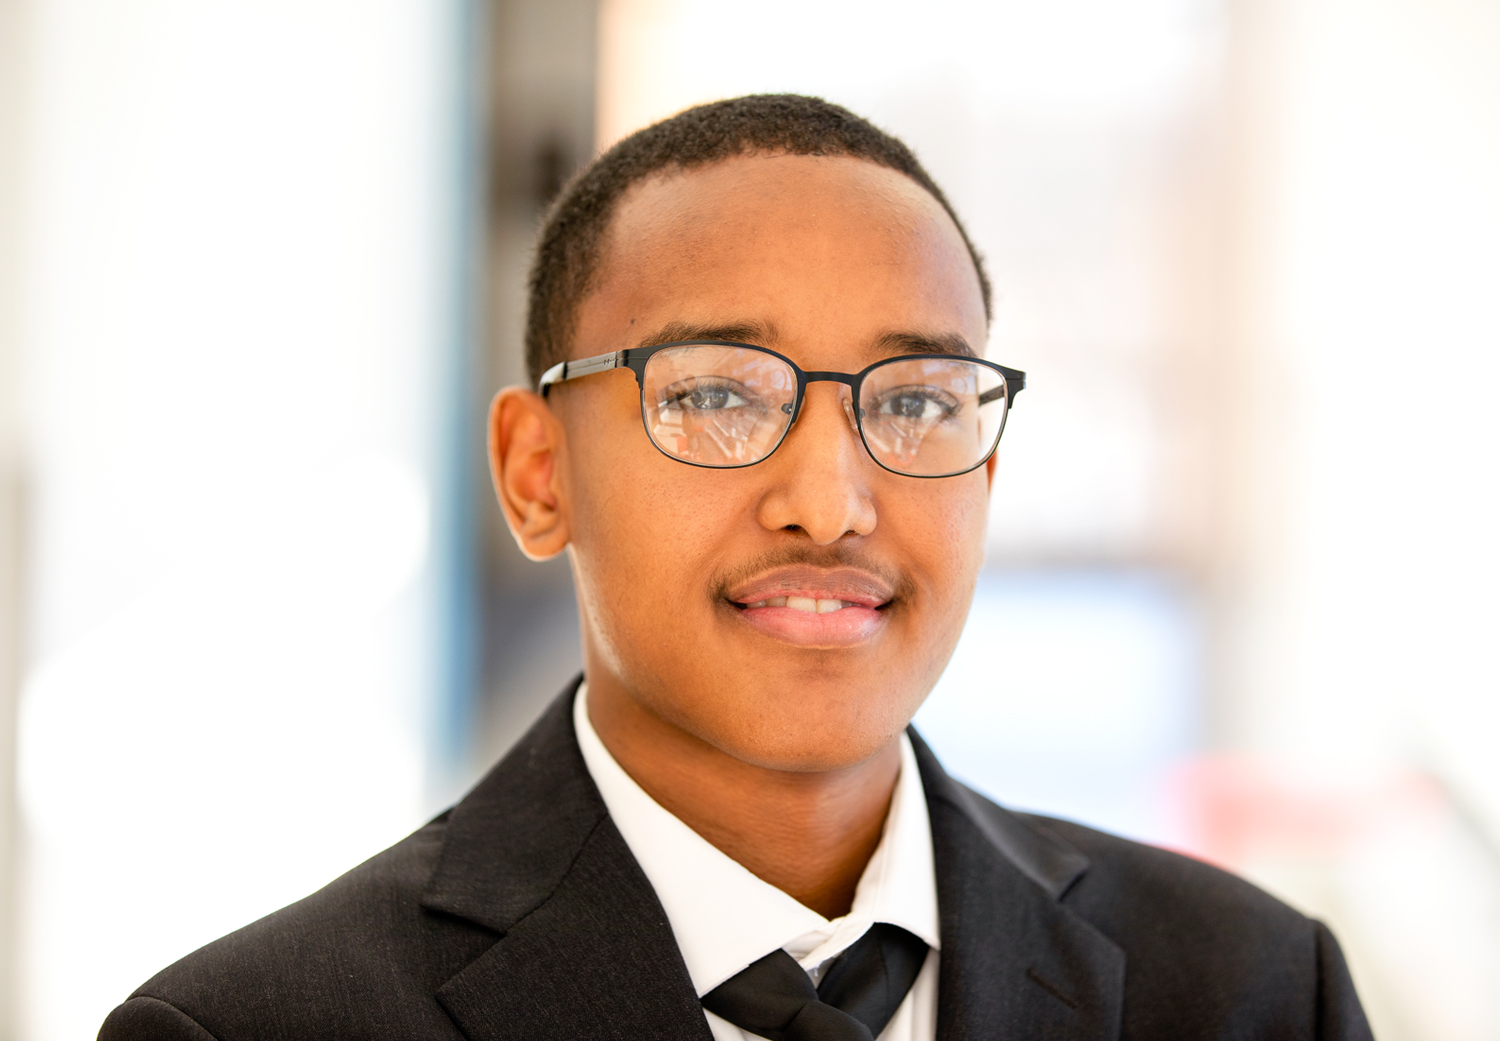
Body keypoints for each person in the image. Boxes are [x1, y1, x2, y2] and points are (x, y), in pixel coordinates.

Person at [100, 95, 1372, 1041]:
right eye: (716, 393)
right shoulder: (257, 1029)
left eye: (919, 403)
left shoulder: (1250, 989)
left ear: (985, 475)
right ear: (539, 474)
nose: (829, 504)